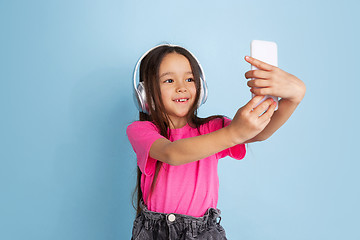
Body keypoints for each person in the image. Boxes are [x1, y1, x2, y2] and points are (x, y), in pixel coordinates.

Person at [126, 44, 306, 239]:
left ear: (201, 87)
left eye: (189, 79)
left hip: (203, 233)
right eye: (169, 80)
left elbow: (261, 132)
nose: (182, 87)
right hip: (155, 232)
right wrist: (233, 133)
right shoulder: (141, 130)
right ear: (145, 93)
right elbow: (172, 153)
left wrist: (295, 97)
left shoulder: (213, 128)